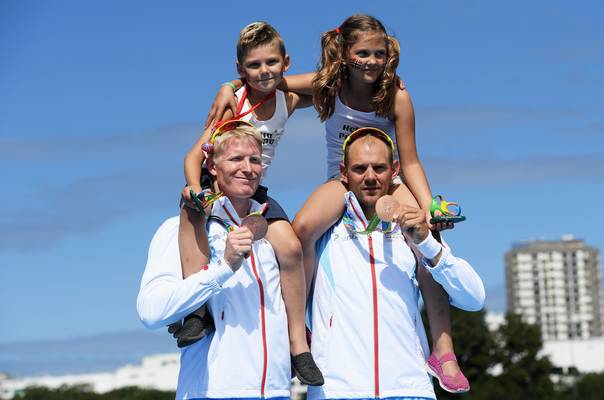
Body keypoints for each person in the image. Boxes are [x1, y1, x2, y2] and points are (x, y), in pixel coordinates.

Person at [206, 15, 468, 392]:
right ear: (344, 54)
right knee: (300, 231)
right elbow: (268, 80)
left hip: (388, 181)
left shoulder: (397, 96)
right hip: (341, 180)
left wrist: (430, 206)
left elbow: (409, 160)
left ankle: (443, 350)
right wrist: (228, 86)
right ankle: (304, 328)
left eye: (379, 53)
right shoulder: (329, 85)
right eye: (363, 53)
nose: (372, 61)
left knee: (427, 240)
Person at [178, 22, 323, 385]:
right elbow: (193, 156)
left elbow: (328, 83)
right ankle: (195, 312)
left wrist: (279, 81)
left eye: (272, 63)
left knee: (289, 246)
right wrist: (197, 188)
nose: (264, 72)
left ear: (286, 62)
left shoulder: (286, 100)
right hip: (217, 184)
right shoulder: (233, 103)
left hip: (254, 189)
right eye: (254, 66)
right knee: (192, 215)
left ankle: (297, 344)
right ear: (241, 69)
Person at [306, 127, 485, 399]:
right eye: (359, 168)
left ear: (394, 170)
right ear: (343, 172)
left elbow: (475, 298)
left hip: (411, 388)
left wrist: (427, 243)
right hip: (338, 390)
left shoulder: (413, 233)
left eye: (379, 168)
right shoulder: (324, 234)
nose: (369, 177)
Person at [137, 123, 293, 399]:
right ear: (212, 167)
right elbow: (151, 311)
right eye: (236, 159)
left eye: (255, 160)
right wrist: (223, 268)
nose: (248, 168)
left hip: (276, 391)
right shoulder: (178, 228)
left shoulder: (274, 234)